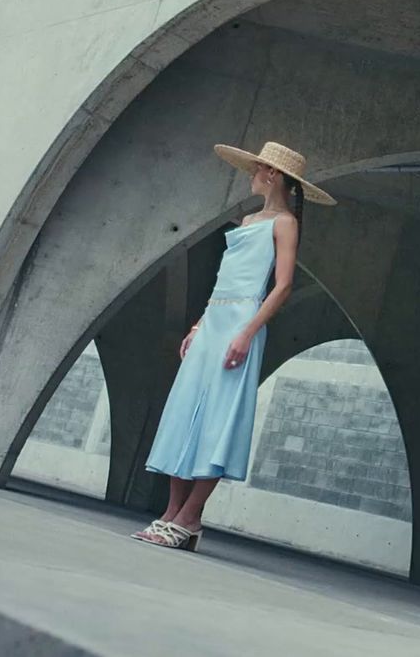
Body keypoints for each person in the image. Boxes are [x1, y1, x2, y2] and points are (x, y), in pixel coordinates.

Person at [131, 142, 335, 551]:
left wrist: (247, 332)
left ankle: (189, 518)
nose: (250, 175)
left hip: (242, 325)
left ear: (271, 175)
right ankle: (173, 514)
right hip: (214, 324)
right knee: (186, 410)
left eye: (255, 169)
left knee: (219, 418)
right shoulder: (248, 219)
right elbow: (223, 283)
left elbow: (283, 287)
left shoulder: (284, 223)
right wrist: (199, 324)